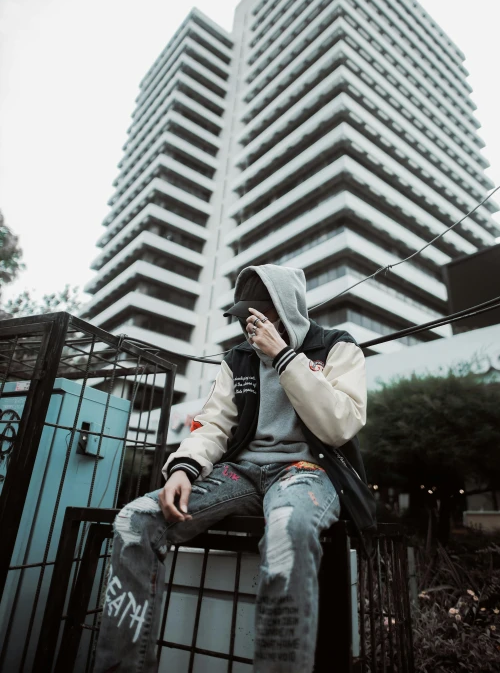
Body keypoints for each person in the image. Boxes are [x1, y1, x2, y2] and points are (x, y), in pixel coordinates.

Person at [93, 264, 376, 673]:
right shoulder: (238, 358)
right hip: (241, 473)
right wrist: (182, 470)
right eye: (242, 315)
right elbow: (214, 423)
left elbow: (339, 425)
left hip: (307, 470)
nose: (247, 323)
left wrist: (283, 356)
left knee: (288, 530)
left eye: (255, 314)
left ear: (283, 310)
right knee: (134, 521)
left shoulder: (336, 347)